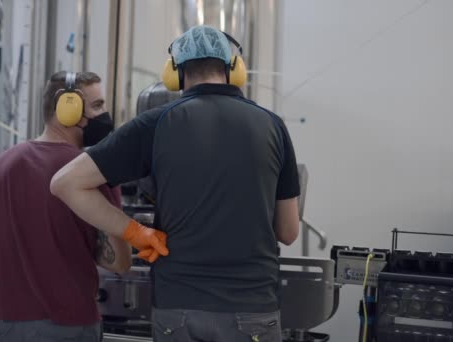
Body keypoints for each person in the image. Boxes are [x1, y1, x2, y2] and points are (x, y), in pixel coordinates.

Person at [51, 25, 300, 342]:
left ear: (175, 73)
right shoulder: (272, 126)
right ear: (233, 69)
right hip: (252, 307)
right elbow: (289, 232)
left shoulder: (155, 123)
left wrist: (134, 232)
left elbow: (65, 183)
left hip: (178, 308)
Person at [0, 71, 135, 342]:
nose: (105, 114)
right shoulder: (93, 171)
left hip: (8, 325)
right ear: (67, 109)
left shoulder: (1, 164)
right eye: (97, 106)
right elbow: (120, 263)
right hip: (69, 326)